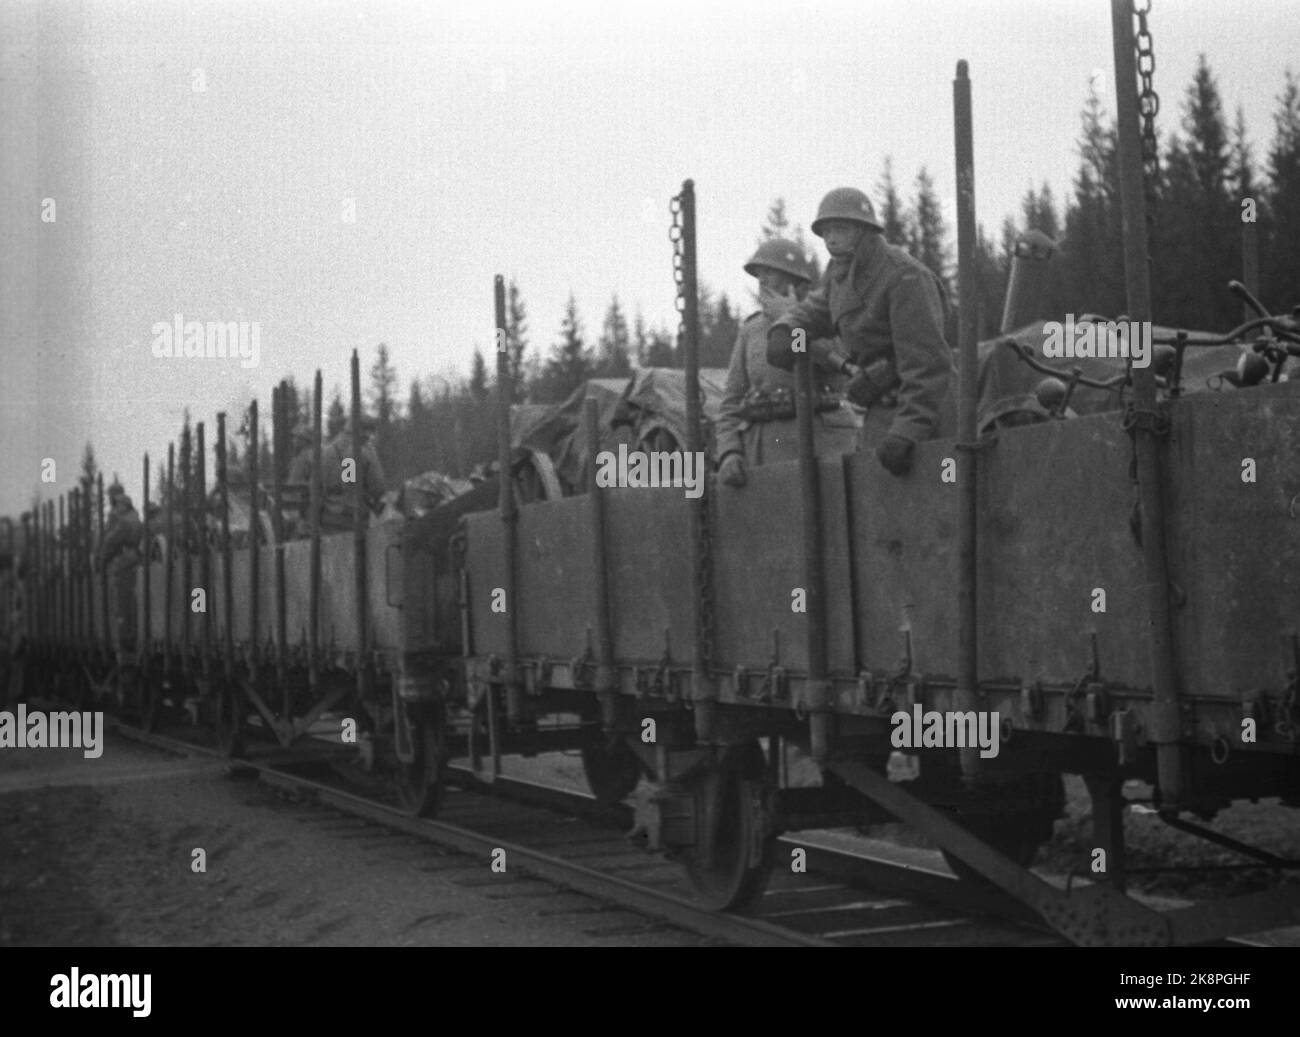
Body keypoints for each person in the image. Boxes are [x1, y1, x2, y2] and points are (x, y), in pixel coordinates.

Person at [768, 187, 956, 477]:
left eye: (840, 229)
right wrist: (787, 330)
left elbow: (928, 365)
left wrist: (908, 430)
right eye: (826, 231)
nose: (831, 239)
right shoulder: (839, 273)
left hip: (924, 416)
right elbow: (815, 311)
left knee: (940, 508)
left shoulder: (903, 276)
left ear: (863, 230)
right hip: (881, 411)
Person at [714, 238, 863, 488]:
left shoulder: (824, 318)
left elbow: (837, 363)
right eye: (758, 274)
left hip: (823, 446)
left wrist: (790, 318)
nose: (761, 281)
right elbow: (731, 401)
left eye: (770, 273)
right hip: (765, 453)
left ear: (794, 280)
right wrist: (730, 452)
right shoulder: (751, 330)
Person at [319, 414, 387, 531]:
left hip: (327, 515)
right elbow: (377, 487)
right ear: (366, 431)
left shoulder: (326, 450)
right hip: (351, 516)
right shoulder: (361, 451)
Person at [97, 484, 143, 652]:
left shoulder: (119, 517)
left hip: (122, 561)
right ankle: (127, 634)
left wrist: (101, 560)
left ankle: (123, 638)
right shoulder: (135, 515)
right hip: (135, 559)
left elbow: (109, 541)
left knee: (120, 601)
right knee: (132, 599)